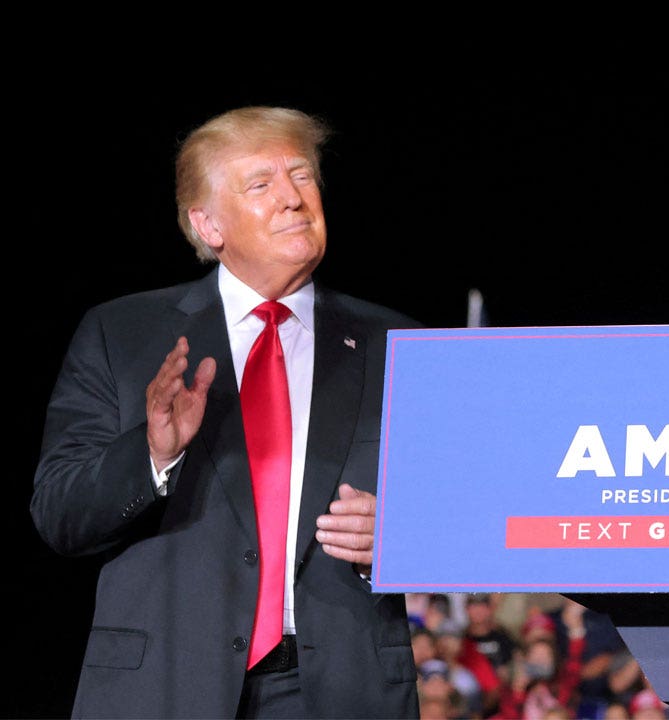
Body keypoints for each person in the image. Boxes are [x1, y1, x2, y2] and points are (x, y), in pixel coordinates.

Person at [30, 106, 420, 718]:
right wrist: (154, 454)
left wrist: (405, 536)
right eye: (261, 185)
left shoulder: (399, 345)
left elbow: (466, 516)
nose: (293, 199)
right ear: (207, 224)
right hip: (162, 683)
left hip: (340, 688)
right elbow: (59, 514)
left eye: (302, 176)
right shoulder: (121, 333)